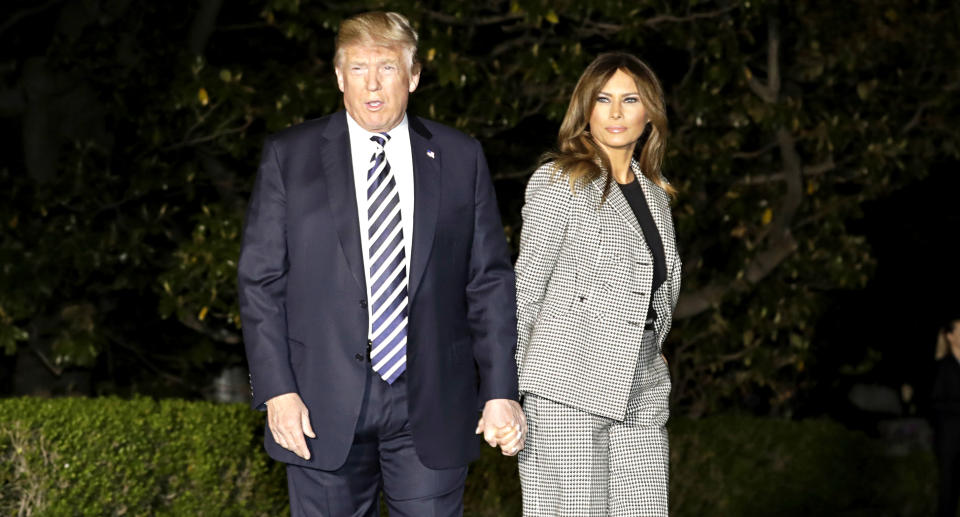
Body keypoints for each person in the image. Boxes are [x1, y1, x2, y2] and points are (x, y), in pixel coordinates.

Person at [237, 11, 525, 516]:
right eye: (357, 68)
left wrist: (500, 390)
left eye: (387, 68)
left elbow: (488, 283)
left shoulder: (460, 156)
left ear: (413, 76)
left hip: (431, 400)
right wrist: (277, 390)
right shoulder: (291, 156)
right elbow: (260, 282)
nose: (372, 84)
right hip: (316, 403)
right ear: (337, 76)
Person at [513, 52, 681, 516]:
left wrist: (654, 347)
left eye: (630, 100)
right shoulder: (560, 181)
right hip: (568, 384)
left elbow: (656, 292)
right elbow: (526, 288)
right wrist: (506, 390)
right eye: (603, 99)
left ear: (649, 114)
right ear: (586, 109)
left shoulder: (656, 195)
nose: (615, 112)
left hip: (642, 383)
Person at [932, 317, 960, 517]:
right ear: (950, 337)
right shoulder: (943, 367)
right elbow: (936, 403)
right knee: (949, 491)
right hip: (951, 439)